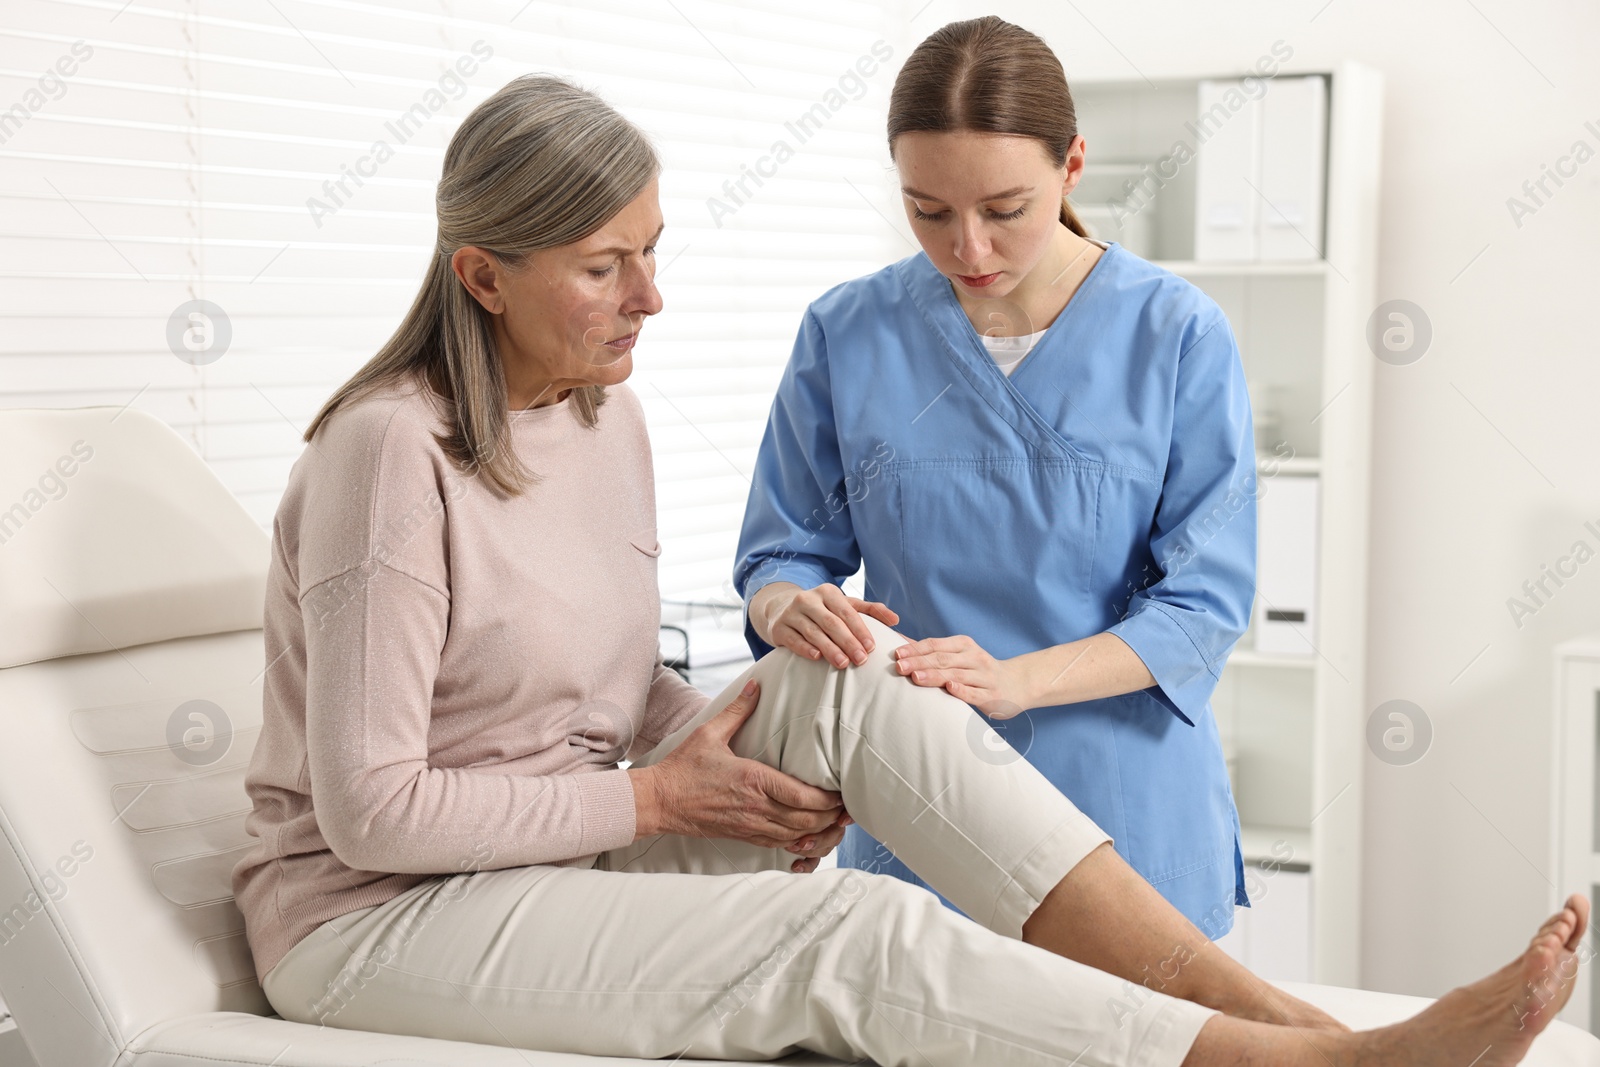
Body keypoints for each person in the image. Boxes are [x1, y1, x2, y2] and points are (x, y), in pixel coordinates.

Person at [231, 71, 1588, 1067]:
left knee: (865, 669)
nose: (653, 296)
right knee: (855, 930)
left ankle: (1296, 1014)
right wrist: (656, 796)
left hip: (572, 838)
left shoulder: (602, 416)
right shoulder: (386, 452)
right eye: (606, 265)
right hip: (384, 913)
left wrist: (716, 770)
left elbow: (604, 689)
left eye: (653, 250)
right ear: (482, 277)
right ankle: (1309, 1065)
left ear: (1069, 169)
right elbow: (374, 814)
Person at [735, 15, 1252, 936]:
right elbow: (784, 551)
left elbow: (1202, 609)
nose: (967, 249)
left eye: (1005, 210)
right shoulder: (847, 331)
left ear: (1074, 166)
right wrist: (787, 605)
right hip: (918, 801)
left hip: (1121, 807)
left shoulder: (1176, 334)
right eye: (928, 210)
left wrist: (1017, 681)